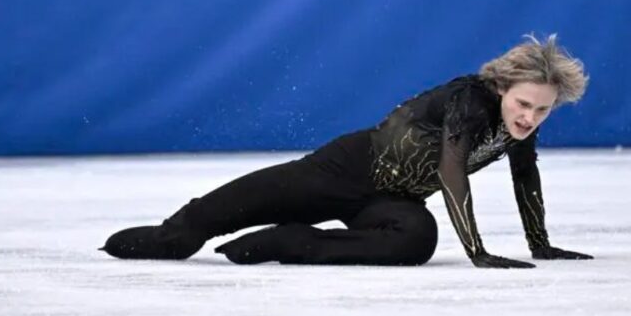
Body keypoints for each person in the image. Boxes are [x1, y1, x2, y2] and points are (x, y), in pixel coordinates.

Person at [102, 35, 592, 268]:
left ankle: (291, 242)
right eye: (524, 104)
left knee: (416, 239)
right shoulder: (470, 100)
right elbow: (451, 170)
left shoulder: (517, 127)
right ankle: (170, 235)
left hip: (391, 202)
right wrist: (477, 252)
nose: (529, 117)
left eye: (542, 110)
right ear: (503, 86)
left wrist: (540, 244)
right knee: (197, 227)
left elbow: (525, 176)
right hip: (343, 169)